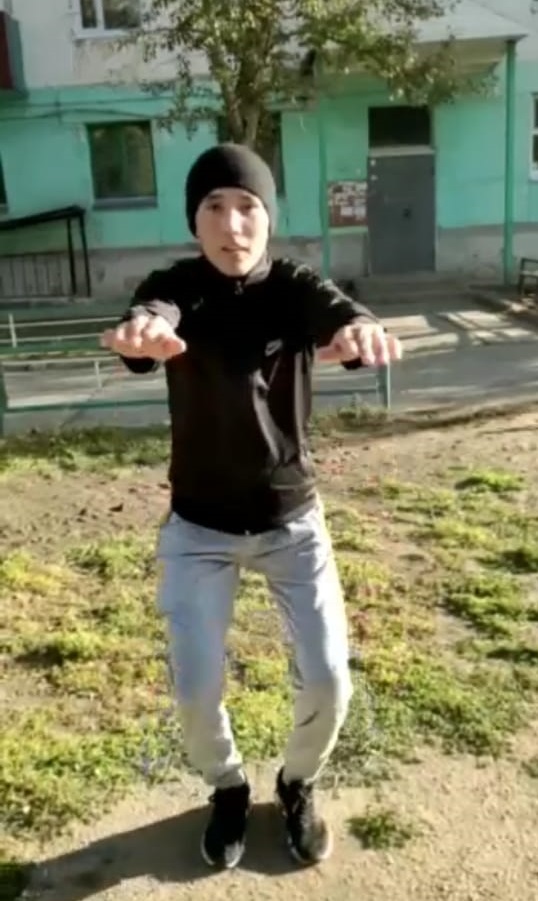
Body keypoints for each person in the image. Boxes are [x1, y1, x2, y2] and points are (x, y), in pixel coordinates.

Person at [101, 143, 402, 871]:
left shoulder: (293, 286)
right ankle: (228, 787)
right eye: (214, 207)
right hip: (197, 529)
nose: (232, 224)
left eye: (248, 207)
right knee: (195, 689)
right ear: (194, 219)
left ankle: (297, 783)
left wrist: (358, 329)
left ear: (268, 218)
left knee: (328, 679)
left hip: (291, 524)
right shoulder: (176, 286)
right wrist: (142, 334)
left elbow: (338, 312)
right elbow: (151, 317)